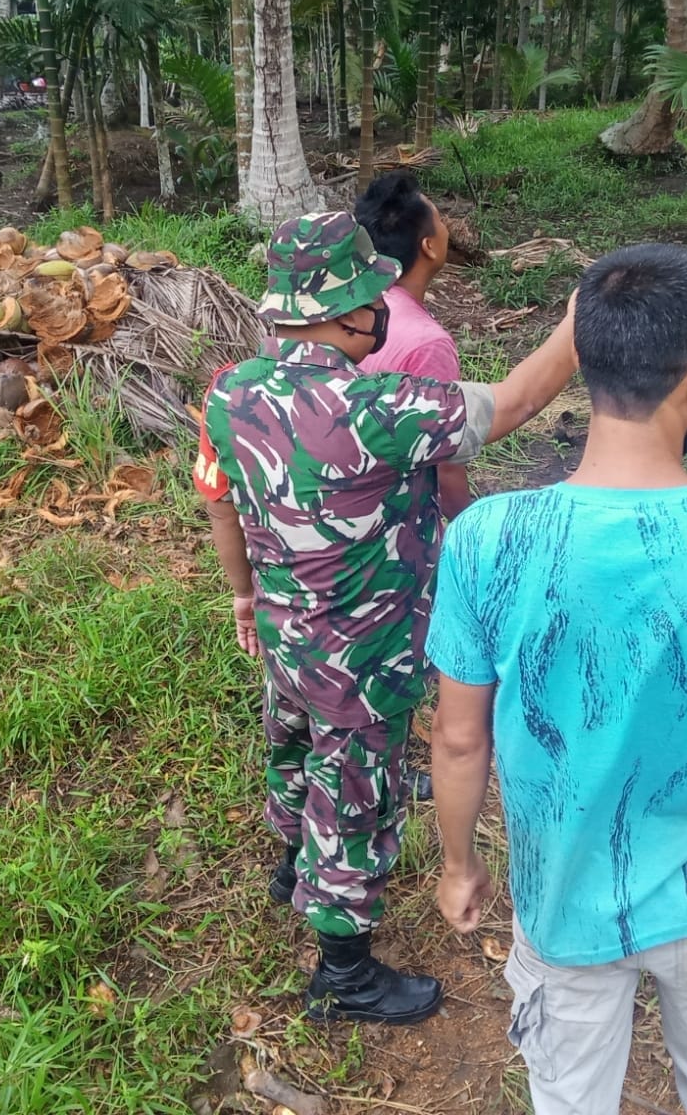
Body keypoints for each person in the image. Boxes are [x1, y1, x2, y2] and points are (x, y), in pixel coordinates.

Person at [426, 243, 687, 1113]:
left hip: (561, 902)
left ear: (585, 360)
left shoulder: (489, 541)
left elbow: (460, 735)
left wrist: (458, 863)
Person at [194, 211, 579, 1025]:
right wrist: (577, 329)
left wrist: (242, 595)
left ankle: (287, 861)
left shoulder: (231, 391)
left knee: (290, 741)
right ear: (344, 313)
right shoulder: (378, 406)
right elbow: (508, 405)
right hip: (362, 651)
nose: (382, 310)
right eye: (372, 297)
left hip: (285, 630)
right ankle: (344, 972)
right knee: (356, 792)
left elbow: (221, 505)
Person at [354, 171, 471, 519]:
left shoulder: (354, 315)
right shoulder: (427, 344)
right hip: (391, 528)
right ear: (429, 246)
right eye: (439, 220)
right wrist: (472, 528)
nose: (446, 228)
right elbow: (444, 463)